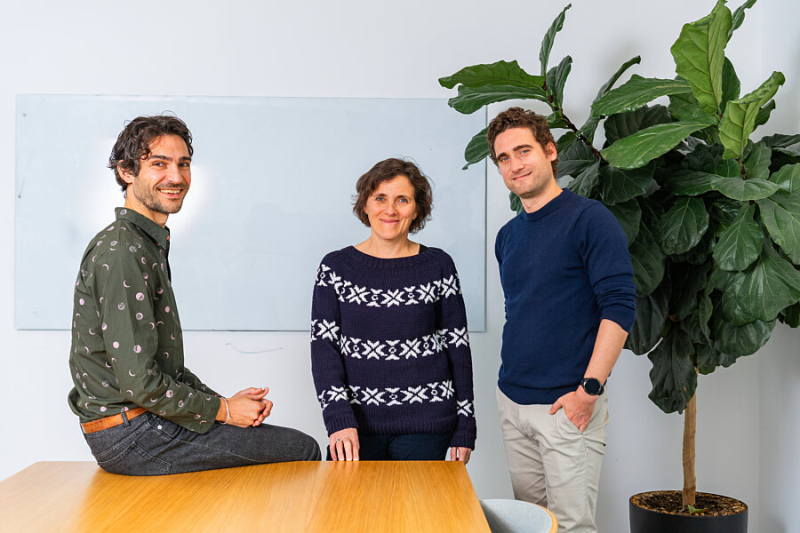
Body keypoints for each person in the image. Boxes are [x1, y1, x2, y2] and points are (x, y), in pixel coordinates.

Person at [67, 115, 320, 475]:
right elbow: (140, 383)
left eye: (183, 164)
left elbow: (163, 367)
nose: (176, 176)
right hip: (132, 433)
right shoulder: (123, 250)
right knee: (303, 450)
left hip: (137, 424)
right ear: (126, 171)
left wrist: (222, 403)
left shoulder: (144, 243)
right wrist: (226, 412)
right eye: (159, 164)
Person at [489, 107, 636, 533]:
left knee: (570, 527)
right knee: (528, 523)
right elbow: (520, 307)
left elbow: (619, 306)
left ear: (550, 152)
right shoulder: (508, 236)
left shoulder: (590, 220)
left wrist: (589, 390)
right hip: (513, 402)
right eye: (504, 158)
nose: (515, 164)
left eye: (523, 150)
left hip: (567, 405)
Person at [310, 158, 476, 462]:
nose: (390, 210)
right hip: (355, 430)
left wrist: (466, 425)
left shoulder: (439, 265)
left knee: (417, 512)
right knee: (351, 510)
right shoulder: (335, 268)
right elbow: (324, 350)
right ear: (365, 206)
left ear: (416, 209)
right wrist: (338, 419)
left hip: (428, 426)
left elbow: (458, 349)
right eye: (380, 198)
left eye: (402, 200)